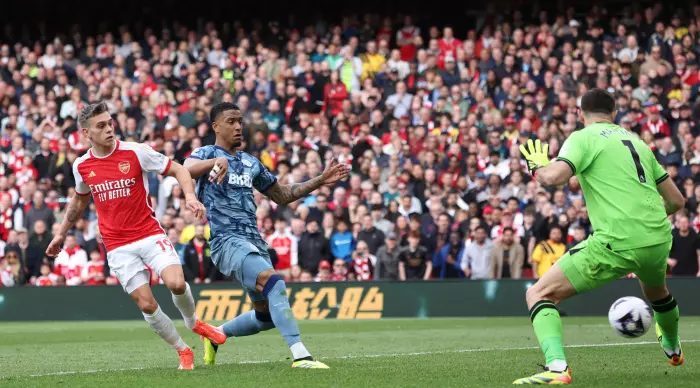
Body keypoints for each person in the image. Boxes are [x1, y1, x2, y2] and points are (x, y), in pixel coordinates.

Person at [514, 88, 686, 384]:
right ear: (615, 113)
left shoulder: (583, 137)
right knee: (657, 293)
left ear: (580, 114)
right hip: (658, 237)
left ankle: (557, 368)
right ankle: (672, 347)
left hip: (617, 240)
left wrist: (536, 168)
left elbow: (554, 177)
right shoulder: (638, 142)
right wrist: (645, 222)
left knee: (538, 293)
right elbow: (677, 202)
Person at [45, 102, 224, 370]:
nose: (109, 129)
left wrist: (189, 196)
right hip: (117, 245)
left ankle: (194, 323)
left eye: (109, 123)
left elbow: (178, 169)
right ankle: (182, 350)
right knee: (146, 303)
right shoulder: (82, 166)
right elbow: (79, 201)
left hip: (149, 232)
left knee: (176, 283)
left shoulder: (135, 152)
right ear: (86, 133)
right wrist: (60, 234)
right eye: (101, 126)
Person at [184, 102, 349, 369]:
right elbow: (186, 168)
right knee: (275, 283)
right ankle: (301, 356)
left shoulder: (250, 162)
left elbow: (282, 195)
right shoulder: (205, 153)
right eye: (231, 121)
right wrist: (216, 161)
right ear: (215, 126)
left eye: (240, 120)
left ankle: (216, 335)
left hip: (254, 242)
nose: (238, 126)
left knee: (266, 317)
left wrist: (319, 180)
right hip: (226, 241)